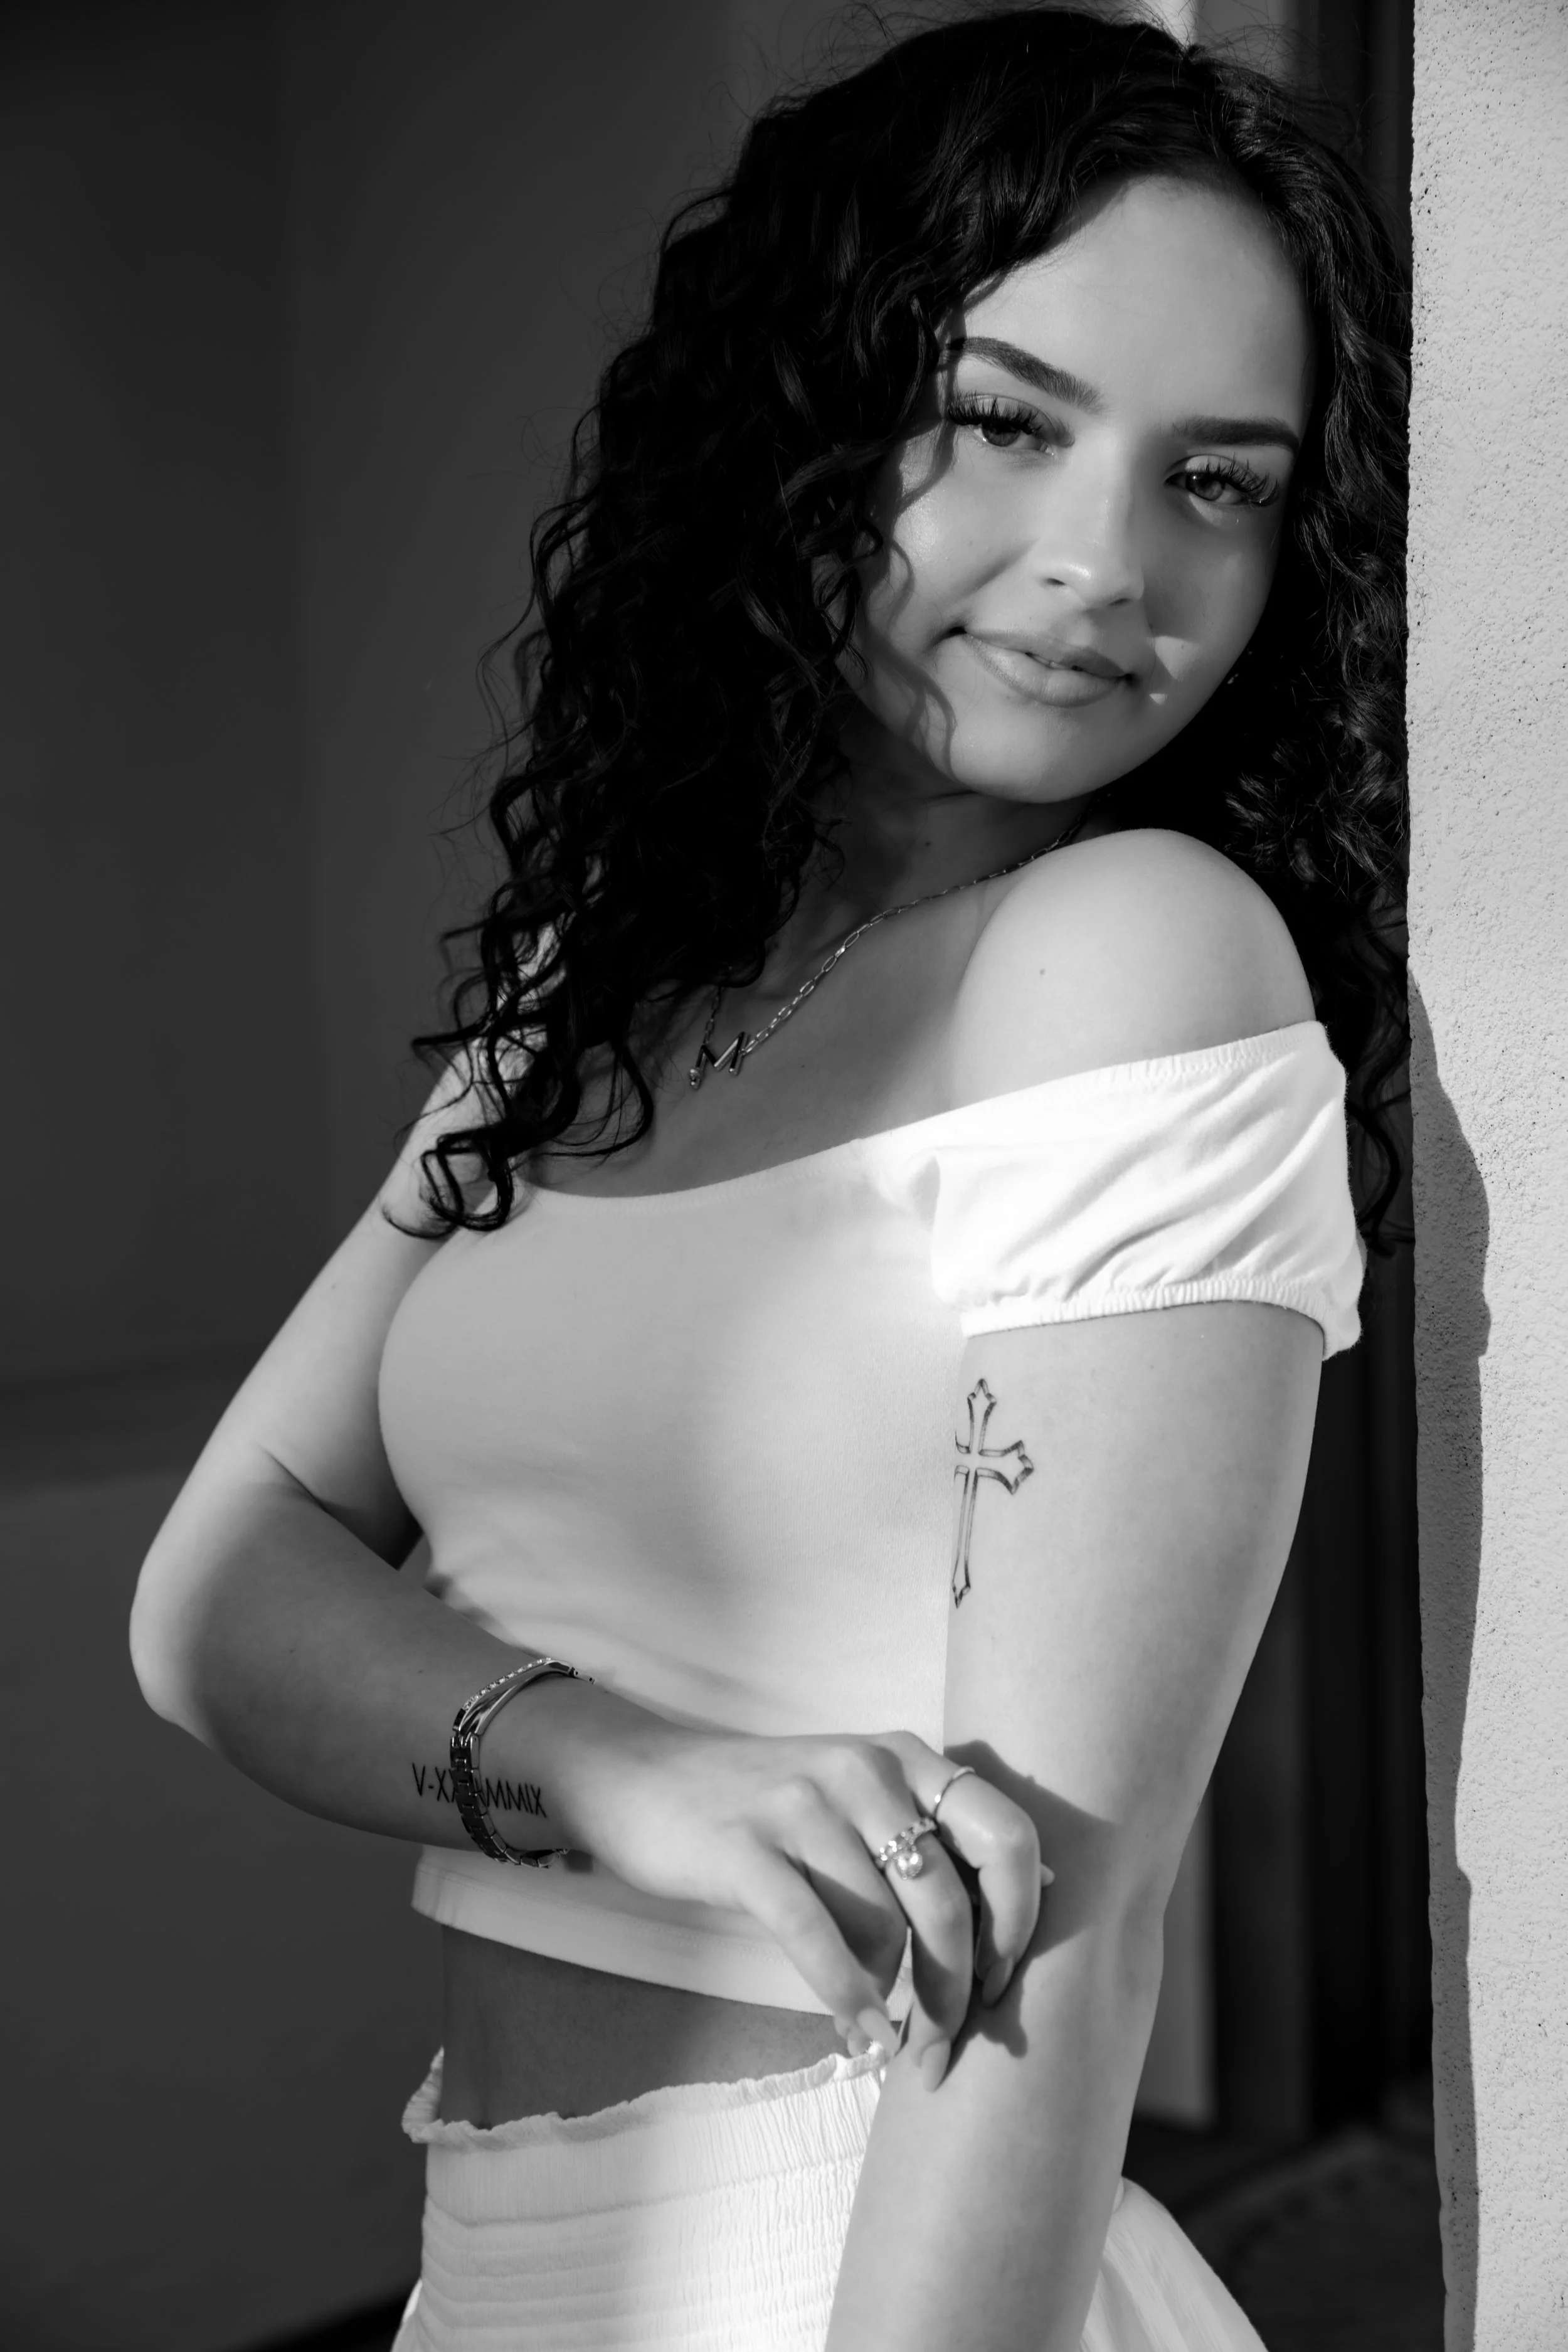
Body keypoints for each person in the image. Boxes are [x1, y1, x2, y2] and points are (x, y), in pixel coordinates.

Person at [129, 9, 1408, 2348]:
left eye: (1215, 481)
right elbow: (213, 1597)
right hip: (500, 2268)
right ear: (806, 411)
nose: (1103, 566)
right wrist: (630, 1771)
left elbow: (1070, 1922)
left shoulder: (1131, 954)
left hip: (859, 2268)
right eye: (1006, 419)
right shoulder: (599, 989)